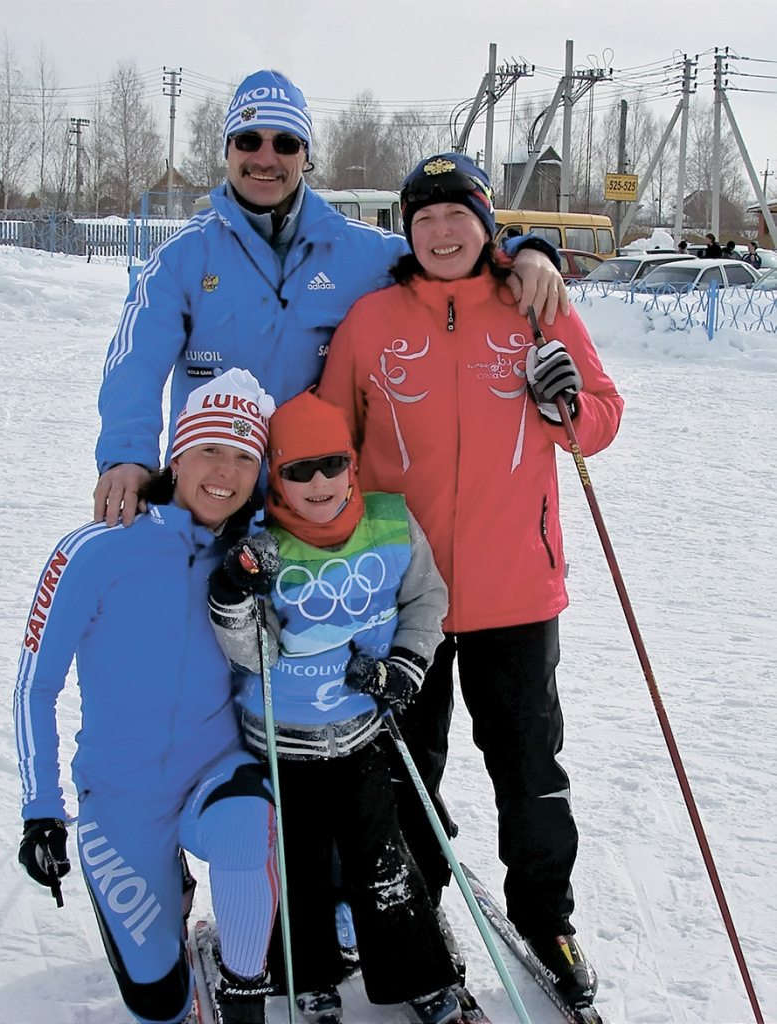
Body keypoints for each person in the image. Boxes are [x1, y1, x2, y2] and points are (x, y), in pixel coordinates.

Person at [318, 153, 624, 1009]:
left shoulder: (534, 303)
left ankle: (546, 919)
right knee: (407, 772)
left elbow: (600, 416)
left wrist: (568, 403)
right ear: (407, 232)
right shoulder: (373, 319)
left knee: (530, 772)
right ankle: (417, 922)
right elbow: (330, 432)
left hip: (516, 593)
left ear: (487, 225)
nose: (443, 232)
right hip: (401, 598)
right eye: (425, 218)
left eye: (459, 215)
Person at [92, 68, 570, 530]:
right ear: (227, 149)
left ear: (305, 156)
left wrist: (524, 252)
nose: (265, 157)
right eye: (248, 139)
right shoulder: (182, 257)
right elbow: (135, 361)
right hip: (211, 503)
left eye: (285, 143)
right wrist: (126, 456)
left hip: (313, 507)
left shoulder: (361, 252)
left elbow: (448, 255)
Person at [15, 369, 281, 1024]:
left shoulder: (251, 555)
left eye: (245, 457)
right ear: (175, 456)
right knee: (157, 1003)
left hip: (213, 773)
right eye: (210, 450)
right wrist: (40, 810)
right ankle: (168, 912)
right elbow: (35, 686)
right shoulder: (96, 548)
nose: (225, 472)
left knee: (249, 824)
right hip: (121, 794)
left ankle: (245, 997)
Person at [207, 390, 461, 1024]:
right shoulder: (260, 547)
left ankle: (417, 975)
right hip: (282, 741)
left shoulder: (391, 523)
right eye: (297, 471)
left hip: (360, 732)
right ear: (277, 479)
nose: (318, 482)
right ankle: (307, 973)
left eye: (331, 464)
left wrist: (406, 664)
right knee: (297, 866)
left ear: (352, 463)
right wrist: (235, 594)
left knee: (382, 857)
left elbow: (428, 599)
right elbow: (248, 653)